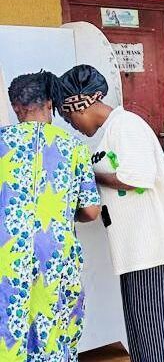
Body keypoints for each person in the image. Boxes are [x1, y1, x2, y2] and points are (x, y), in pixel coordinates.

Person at [57, 65, 164, 361]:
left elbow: (137, 178)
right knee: (137, 330)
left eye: (71, 119)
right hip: (131, 248)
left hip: (148, 246)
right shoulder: (111, 132)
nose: (74, 126)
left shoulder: (127, 126)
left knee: (151, 333)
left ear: (83, 107)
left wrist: (91, 175)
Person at [0, 72, 101, 361]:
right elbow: (91, 211)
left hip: (6, 259)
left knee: (8, 328)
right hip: (56, 258)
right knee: (53, 330)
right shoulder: (74, 148)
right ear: (49, 104)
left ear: (16, 107)